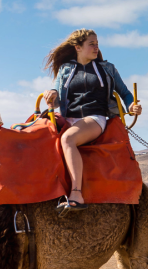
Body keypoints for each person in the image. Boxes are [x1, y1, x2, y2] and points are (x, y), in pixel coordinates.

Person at [41, 29, 141, 215]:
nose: (96, 47)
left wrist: (131, 106)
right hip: (67, 117)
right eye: (92, 44)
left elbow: (125, 93)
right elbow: (55, 96)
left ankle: (76, 194)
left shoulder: (107, 68)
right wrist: (51, 94)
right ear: (78, 47)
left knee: (68, 139)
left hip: (94, 118)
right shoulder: (66, 69)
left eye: (97, 44)